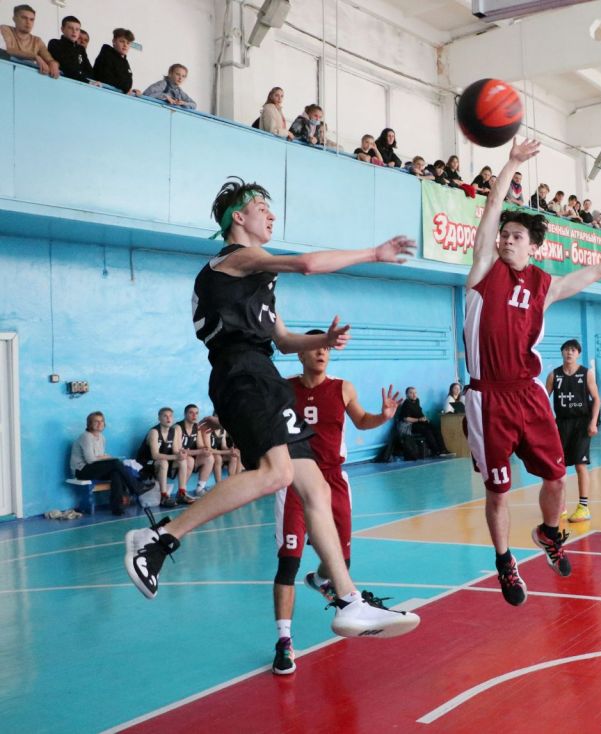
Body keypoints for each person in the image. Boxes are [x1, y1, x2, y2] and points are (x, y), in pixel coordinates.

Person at [122, 176, 419, 641]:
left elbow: (281, 339)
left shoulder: (257, 278)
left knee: (314, 486)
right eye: (262, 207)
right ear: (239, 217)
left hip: (261, 371)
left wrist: (323, 339)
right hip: (242, 373)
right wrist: (373, 253)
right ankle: (159, 538)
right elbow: (308, 263)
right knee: (277, 473)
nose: (271, 214)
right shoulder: (235, 259)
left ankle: (348, 601)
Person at [464, 138, 601, 606]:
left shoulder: (545, 285)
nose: (506, 239)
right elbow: (492, 206)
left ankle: (549, 533)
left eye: (516, 236)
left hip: (529, 393)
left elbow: (596, 273)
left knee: (557, 476)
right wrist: (511, 162)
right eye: (504, 234)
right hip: (487, 397)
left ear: (533, 247)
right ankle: (504, 560)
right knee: (498, 490)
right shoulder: (483, 270)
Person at [271, 329, 404, 674]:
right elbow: (257, 416)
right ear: (300, 354)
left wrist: (383, 416)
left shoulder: (342, 388)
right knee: (288, 563)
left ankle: (320, 580)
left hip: (333, 480)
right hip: (295, 480)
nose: (321, 353)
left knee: (341, 562)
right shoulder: (284, 389)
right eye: (315, 347)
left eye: (326, 348)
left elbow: (362, 420)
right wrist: (223, 420)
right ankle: (284, 641)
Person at [545, 339, 600, 523]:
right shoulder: (554, 375)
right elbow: (543, 401)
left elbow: (596, 399)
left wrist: (593, 422)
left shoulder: (586, 373)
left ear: (578, 354)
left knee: (580, 465)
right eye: (567, 349)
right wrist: (547, 423)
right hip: (561, 424)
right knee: (558, 467)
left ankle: (583, 507)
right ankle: (561, 506)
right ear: (562, 352)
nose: (569, 353)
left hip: (581, 424)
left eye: (573, 350)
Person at [71, 411, 145, 516]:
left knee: (116, 472)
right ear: (89, 424)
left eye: (101, 421)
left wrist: (105, 457)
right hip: (81, 470)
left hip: (93, 468)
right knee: (115, 463)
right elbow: (90, 459)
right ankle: (136, 487)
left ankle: (117, 508)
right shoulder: (85, 437)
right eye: (96, 421)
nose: (100, 423)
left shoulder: (102, 437)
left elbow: (99, 456)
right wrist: (106, 457)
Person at [135, 407, 187, 508]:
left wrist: (181, 454)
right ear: (159, 418)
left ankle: (181, 493)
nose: (168, 418)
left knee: (183, 461)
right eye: (165, 416)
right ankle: (164, 496)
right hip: (145, 463)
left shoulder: (173, 431)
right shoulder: (154, 432)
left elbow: (175, 450)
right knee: (163, 462)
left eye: (170, 416)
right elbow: (155, 455)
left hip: (162, 461)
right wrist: (176, 456)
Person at [1, 4, 59, 78]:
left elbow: (49, 59)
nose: (28, 22)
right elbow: (8, 50)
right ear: (14, 18)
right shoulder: (5, 29)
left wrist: (53, 64)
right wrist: (34, 56)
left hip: (29, 76)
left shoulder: (37, 40)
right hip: (7, 73)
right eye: (24, 18)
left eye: (31, 19)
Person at [396, 387, 452, 456]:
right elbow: (406, 418)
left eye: (415, 393)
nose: (414, 395)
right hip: (409, 425)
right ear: (407, 395)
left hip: (419, 422)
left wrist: (425, 419)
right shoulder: (406, 404)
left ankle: (443, 450)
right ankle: (436, 451)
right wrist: (419, 419)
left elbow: (419, 413)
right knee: (427, 430)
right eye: (411, 393)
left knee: (435, 428)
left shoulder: (417, 401)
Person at [176, 404, 214, 502]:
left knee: (209, 458)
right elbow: (179, 451)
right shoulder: (178, 427)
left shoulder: (196, 427)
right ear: (185, 414)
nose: (194, 416)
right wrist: (200, 451)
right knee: (189, 460)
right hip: (176, 460)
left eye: (196, 413)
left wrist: (206, 450)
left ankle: (200, 488)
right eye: (191, 413)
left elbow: (200, 445)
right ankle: (181, 492)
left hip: (190, 458)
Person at [92, 28, 140, 94]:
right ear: (114, 41)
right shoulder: (106, 56)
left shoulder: (124, 61)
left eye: (128, 43)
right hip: (102, 93)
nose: (125, 45)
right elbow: (106, 78)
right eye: (122, 41)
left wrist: (132, 91)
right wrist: (125, 88)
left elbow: (126, 83)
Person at [47, 15, 92, 83]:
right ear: (62, 29)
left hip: (79, 84)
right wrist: (86, 81)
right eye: (70, 28)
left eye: (77, 29)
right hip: (59, 81)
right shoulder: (55, 43)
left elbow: (90, 72)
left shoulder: (81, 49)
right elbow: (66, 67)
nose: (74, 31)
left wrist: (87, 79)